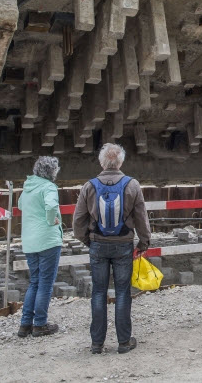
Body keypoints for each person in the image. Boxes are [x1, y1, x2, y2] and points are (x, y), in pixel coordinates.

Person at [73, 143, 151, 354]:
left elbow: (78, 221)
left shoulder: (89, 186)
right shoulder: (132, 185)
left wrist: (88, 241)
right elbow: (141, 218)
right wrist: (144, 243)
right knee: (123, 293)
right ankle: (124, 342)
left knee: (98, 292)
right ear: (121, 162)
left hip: (98, 245)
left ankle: (97, 344)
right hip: (123, 245)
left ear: (101, 162)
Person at [18, 156, 63, 338]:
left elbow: (20, 205)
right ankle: (40, 324)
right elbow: (51, 205)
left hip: (29, 242)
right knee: (45, 283)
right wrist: (52, 220)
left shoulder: (27, 187)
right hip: (47, 240)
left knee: (34, 282)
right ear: (51, 171)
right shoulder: (48, 187)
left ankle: (25, 324)